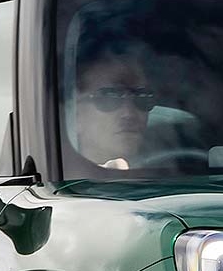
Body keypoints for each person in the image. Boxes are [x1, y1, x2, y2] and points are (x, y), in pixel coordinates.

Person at [67, 37, 157, 171]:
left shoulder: (172, 175)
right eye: (109, 97)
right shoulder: (57, 183)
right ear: (75, 114)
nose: (129, 113)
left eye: (142, 96)